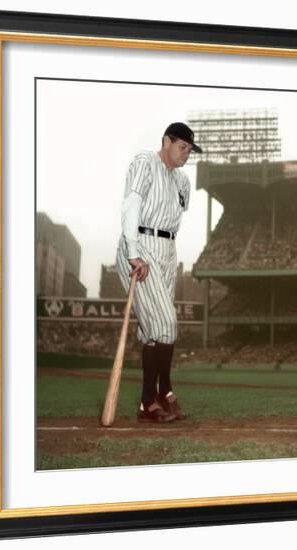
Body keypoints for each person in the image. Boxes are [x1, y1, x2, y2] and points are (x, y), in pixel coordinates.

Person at [116, 122, 202, 423]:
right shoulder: (145, 162)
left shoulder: (182, 181)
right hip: (142, 245)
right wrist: (133, 252)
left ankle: (147, 404)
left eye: (190, 151)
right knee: (166, 323)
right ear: (167, 141)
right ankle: (163, 391)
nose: (186, 155)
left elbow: (177, 209)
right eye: (182, 147)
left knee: (154, 334)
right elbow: (132, 205)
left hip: (168, 250)